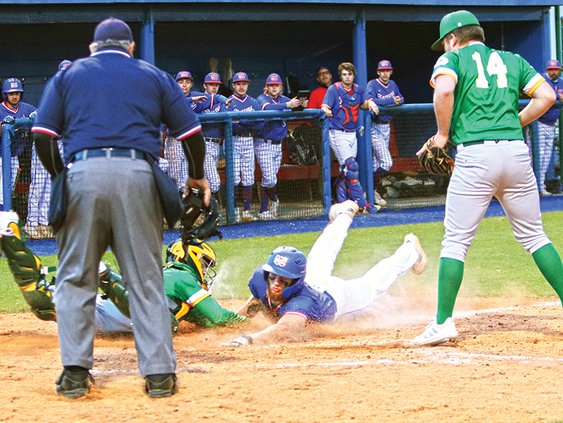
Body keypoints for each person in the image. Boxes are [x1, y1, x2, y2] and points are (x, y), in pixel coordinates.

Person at [31, 17, 210, 399]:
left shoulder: (69, 75)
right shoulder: (153, 74)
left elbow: (42, 136)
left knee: (76, 278)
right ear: (130, 47)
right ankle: (160, 375)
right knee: (145, 279)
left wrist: (63, 176)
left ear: (93, 47)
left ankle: (76, 374)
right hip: (137, 174)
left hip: (82, 172)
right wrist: (196, 177)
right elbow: (191, 134)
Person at [413, 10, 563, 346]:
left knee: (455, 242)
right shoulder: (512, 59)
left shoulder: (452, 58)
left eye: (445, 43)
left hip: (476, 155)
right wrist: (514, 121)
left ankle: (442, 323)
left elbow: (445, 90)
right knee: (535, 237)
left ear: (454, 38)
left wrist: (440, 135)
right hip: (515, 152)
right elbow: (548, 97)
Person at [0, 211, 245, 333]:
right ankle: (105, 276)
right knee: (163, 323)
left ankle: (9, 237)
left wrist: (251, 306)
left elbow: (204, 321)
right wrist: (252, 323)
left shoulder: (166, 277)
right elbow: (220, 318)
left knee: (42, 304)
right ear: (191, 259)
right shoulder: (182, 275)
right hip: (126, 308)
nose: (205, 270)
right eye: (204, 264)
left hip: (106, 311)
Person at [228, 200, 427, 346]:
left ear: (297, 281)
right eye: (273, 277)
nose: (276, 284)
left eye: (284, 279)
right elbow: (252, 306)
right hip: (314, 280)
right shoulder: (260, 280)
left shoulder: (303, 303)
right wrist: (225, 325)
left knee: (374, 284)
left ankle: (411, 250)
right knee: (324, 248)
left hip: (336, 296)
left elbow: (284, 329)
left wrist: (248, 340)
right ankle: (345, 213)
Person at [321, 62, 380, 213]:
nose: (347, 77)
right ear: (340, 76)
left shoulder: (359, 89)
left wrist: (371, 103)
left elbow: (363, 104)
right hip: (337, 132)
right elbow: (325, 106)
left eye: (350, 74)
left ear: (354, 75)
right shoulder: (334, 89)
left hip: (352, 133)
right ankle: (363, 204)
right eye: (344, 75)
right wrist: (326, 110)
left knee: (346, 170)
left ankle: (343, 203)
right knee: (352, 167)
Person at [25, 61, 72, 239]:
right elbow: (34, 116)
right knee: (38, 183)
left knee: (53, 184)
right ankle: (32, 223)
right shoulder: (52, 92)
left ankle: (45, 223)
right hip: (45, 143)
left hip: (61, 144)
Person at [255, 73, 305, 220]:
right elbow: (267, 108)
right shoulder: (261, 98)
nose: (274, 87)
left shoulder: (284, 99)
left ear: (281, 86)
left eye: (276, 85)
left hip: (278, 145)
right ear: (267, 87)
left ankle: (264, 210)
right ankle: (274, 200)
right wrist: (288, 105)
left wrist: (302, 104)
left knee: (270, 178)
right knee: (270, 179)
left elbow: (295, 108)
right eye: (271, 85)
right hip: (263, 142)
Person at [366, 60, 404, 207]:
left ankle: (372, 191)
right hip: (374, 126)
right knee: (387, 162)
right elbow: (370, 100)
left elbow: (401, 98)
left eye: (387, 70)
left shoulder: (393, 84)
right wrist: (390, 100)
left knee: (376, 164)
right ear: (378, 72)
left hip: (386, 126)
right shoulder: (372, 84)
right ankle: (369, 189)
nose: (385, 73)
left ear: (391, 71)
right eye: (382, 71)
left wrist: (398, 100)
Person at [225, 71, 261, 222]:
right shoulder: (228, 102)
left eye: (244, 84)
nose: (241, 87)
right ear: (233, 85)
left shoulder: (253, 102)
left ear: (247, 85)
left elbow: (259, 122)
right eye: (238, 84)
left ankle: (246, 210)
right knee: (233, 178)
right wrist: (246, 121)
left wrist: (240, 121)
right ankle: (233, 210)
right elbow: (228, 125)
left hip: (248, 140)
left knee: (248, 177)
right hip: (232, 140)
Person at [0, 78, 36, 212]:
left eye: (17, 93)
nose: (14, 96)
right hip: (0, 156)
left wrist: (36, 116)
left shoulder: (27, 108)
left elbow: (43, 118)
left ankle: (3, 224)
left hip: (14, 157)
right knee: (1, 193)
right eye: (11, 93)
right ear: (5, 95)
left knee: (6, 192)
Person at [533, 59, 562, 196]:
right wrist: (557, 96)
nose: (553, 72)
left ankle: (540, 185)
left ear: (559, 70)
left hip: (552, 123)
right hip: (539, 123)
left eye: (555, 69)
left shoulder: (561, 81)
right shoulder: (543, 80)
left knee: (546, 156)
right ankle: (536, 186)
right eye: (550, 69)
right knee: (538, 155)